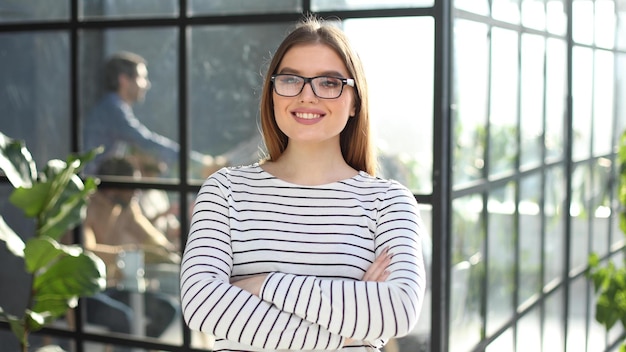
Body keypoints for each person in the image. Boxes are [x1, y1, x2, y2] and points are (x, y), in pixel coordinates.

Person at [180, 15, 427, 352]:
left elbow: (397, 311)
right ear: (273, 93)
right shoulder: (225, 191)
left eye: (328, 83)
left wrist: (263, 285)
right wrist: (351, 331)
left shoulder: (388, 202)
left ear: (355, 101)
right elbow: (201, 305)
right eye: (291, 79)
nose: (307, 96)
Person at [82, 157, 180, 346]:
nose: (137, 191)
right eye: (132, 186)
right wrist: (131, 253)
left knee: (168, 309)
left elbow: (150, 235)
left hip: (114, 288)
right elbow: (88, 251)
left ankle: (141, 348)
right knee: (123, 318)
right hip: (86, 292)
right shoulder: (87, 207)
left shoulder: (127, 207)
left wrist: (168, 252)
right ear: (113, 187)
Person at [82, 51, 222, 177]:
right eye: (142, 78)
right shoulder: (113, 109)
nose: (146, 85)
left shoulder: (112, 107)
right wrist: (201, 163)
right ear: (123, 80)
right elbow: (147, 142)